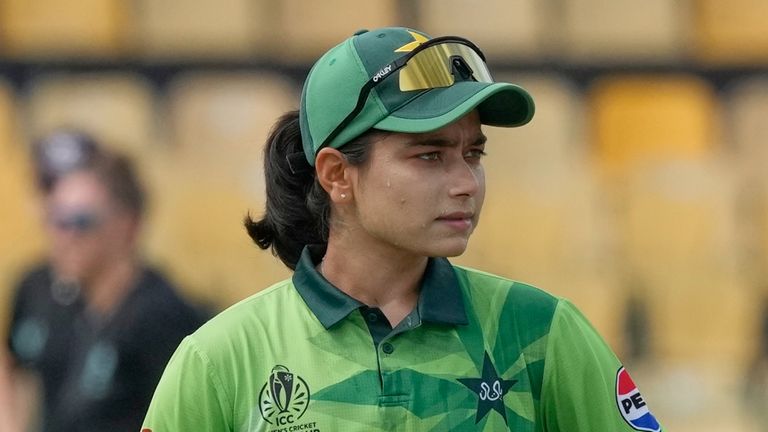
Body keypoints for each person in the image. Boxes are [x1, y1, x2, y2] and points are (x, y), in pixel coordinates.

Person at [142, 27, 663, 431]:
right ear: (337, 174)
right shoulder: (218, 360)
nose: (466, 183)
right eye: (430, 155)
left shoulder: (543, 332)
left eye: (473, 153)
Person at [1, 131, 205, 432]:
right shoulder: (62, 297)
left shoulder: (159, 317)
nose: (63, 237)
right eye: (55, 220)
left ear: (127, 225)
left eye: (80, 222)